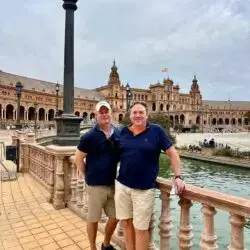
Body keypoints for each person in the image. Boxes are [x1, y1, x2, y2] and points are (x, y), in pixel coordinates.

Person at [115, 102, 185, 250]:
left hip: (144, 189)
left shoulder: (156, 131)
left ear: (147, 115)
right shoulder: (123, 132)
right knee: (126, 223)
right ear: (130, 115)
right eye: (135, 112)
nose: (138, 115)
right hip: (122, 186)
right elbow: (113, 153)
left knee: (141, 229)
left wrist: (178, 176)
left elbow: (172, 153)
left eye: (141, 112)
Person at [75, 100, 120, 250]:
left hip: (112, 184)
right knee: (93, 219)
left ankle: (106, 243)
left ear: (110, 113)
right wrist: (87, 175)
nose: (104, 114)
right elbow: (78, 158)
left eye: (106, 111)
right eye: (101, 112)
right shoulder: (89, 136)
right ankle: (92, 247)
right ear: (96, 115)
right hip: (95, 185)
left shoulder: (117, 133)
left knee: (115, 216)